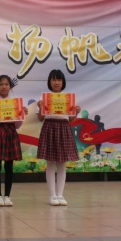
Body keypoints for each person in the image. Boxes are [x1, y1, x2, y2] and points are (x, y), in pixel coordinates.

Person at [36, 69, 81, 206]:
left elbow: (71, 120)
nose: (56, 82)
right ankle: (52, 195)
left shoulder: (68, 98)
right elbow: (40, 118)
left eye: (59, 80)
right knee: (50, 163)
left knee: (62, 163)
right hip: (49, 127)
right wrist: (41, 108)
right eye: (54, 80)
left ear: (63, 82)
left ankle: (60, 195)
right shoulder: (45, 98)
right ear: (50, 82)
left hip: (63, 127)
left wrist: (76, 112)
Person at [0, 75, 27, 207]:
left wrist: (21, 114)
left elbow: (17, 126)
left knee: (9, 167)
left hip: (10, 134)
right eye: (1, 84)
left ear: (10, 86)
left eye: (6, 84)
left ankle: (7, 196)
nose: (4, 87)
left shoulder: (15, 103)